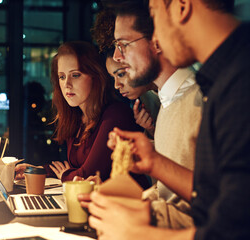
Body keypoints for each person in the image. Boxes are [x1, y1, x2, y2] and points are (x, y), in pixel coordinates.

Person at [83, 0, 250, 239]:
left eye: (154, 13)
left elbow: (233, 227)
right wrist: (154, 161)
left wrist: (139, 232)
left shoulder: (238, 81)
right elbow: (215, 194)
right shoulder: (220, 81)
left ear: (181, 6)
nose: (156, 38)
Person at [82, 0, 203, 228]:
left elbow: (210, 213)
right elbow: (166, 194)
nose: (117, 56)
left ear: (156, 41)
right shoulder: (168, 102)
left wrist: (135, 211)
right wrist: (117, 198)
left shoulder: (198, 101)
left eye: (123, 44)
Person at [15, 41, 149, 188]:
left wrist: (66, 175)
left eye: (75, 75)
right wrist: (37, 171)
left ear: (95, 76)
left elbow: (85, 176)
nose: (67, 84)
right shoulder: (77, 118)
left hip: (130, 205)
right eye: (62, 77)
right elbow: (72, 172)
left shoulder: (115, 115)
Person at [91, 9, 160, 137]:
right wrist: (150, 129)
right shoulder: (145, 100)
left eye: (121, 74)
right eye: (113, 77)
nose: (117, 85)